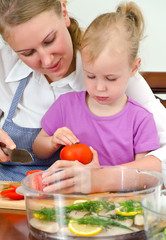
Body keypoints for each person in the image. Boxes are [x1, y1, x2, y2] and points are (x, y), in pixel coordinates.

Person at [0, 0, 165, 181]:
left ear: (64, 14)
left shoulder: (116, 69)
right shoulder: (4, 63)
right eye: (27, 53)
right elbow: (41, 145)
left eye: (49, 40)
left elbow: (158, 163)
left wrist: (100, 179)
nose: (47, 61)